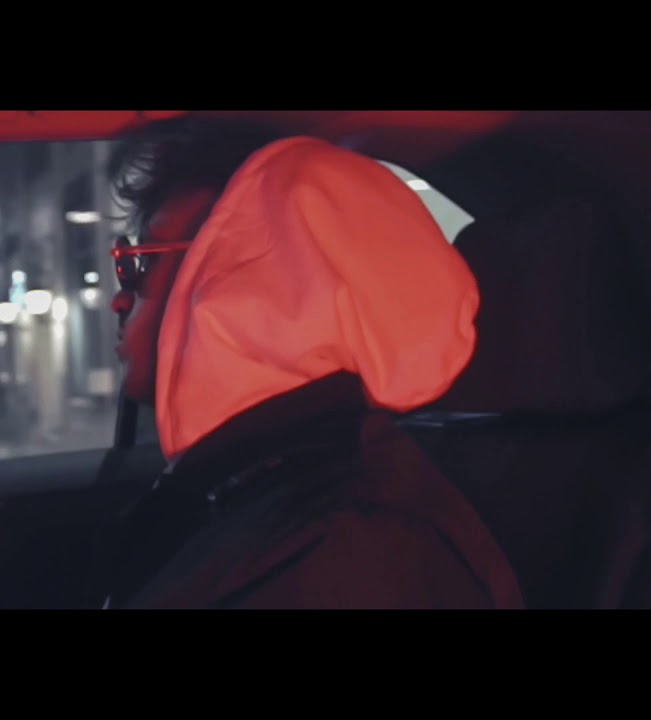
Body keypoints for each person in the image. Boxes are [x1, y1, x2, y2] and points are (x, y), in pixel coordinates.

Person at [92, 116, 523, 609]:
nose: (120, 299)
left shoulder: (357, 548)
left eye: (139, 262)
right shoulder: (260, 490)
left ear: (251, 279)